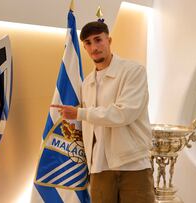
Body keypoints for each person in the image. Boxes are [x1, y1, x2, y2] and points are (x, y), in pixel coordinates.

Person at [51, 20, 155, 203]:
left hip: (132, 165)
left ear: (109, 40)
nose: (94, 47)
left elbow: (123, 113)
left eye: (98, 40)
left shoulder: (133, 71)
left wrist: (79, 113)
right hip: (99, 168)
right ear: (84, 48)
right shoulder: (87, 83)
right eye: (88, 43)